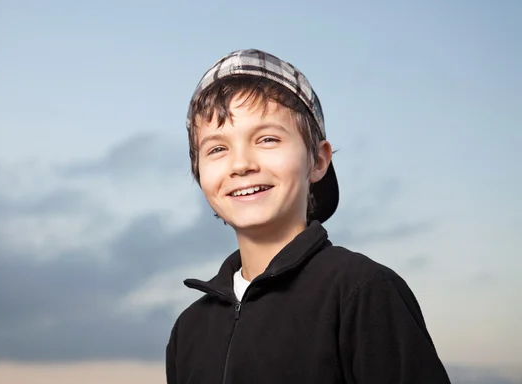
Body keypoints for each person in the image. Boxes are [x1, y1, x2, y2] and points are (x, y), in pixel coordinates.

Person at [165, 49, 452, 384]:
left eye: (267, 139)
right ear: (199, 173)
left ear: (317, 161)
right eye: (217, 149)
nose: (241, 164)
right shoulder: (189, 329)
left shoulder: (361, 292)